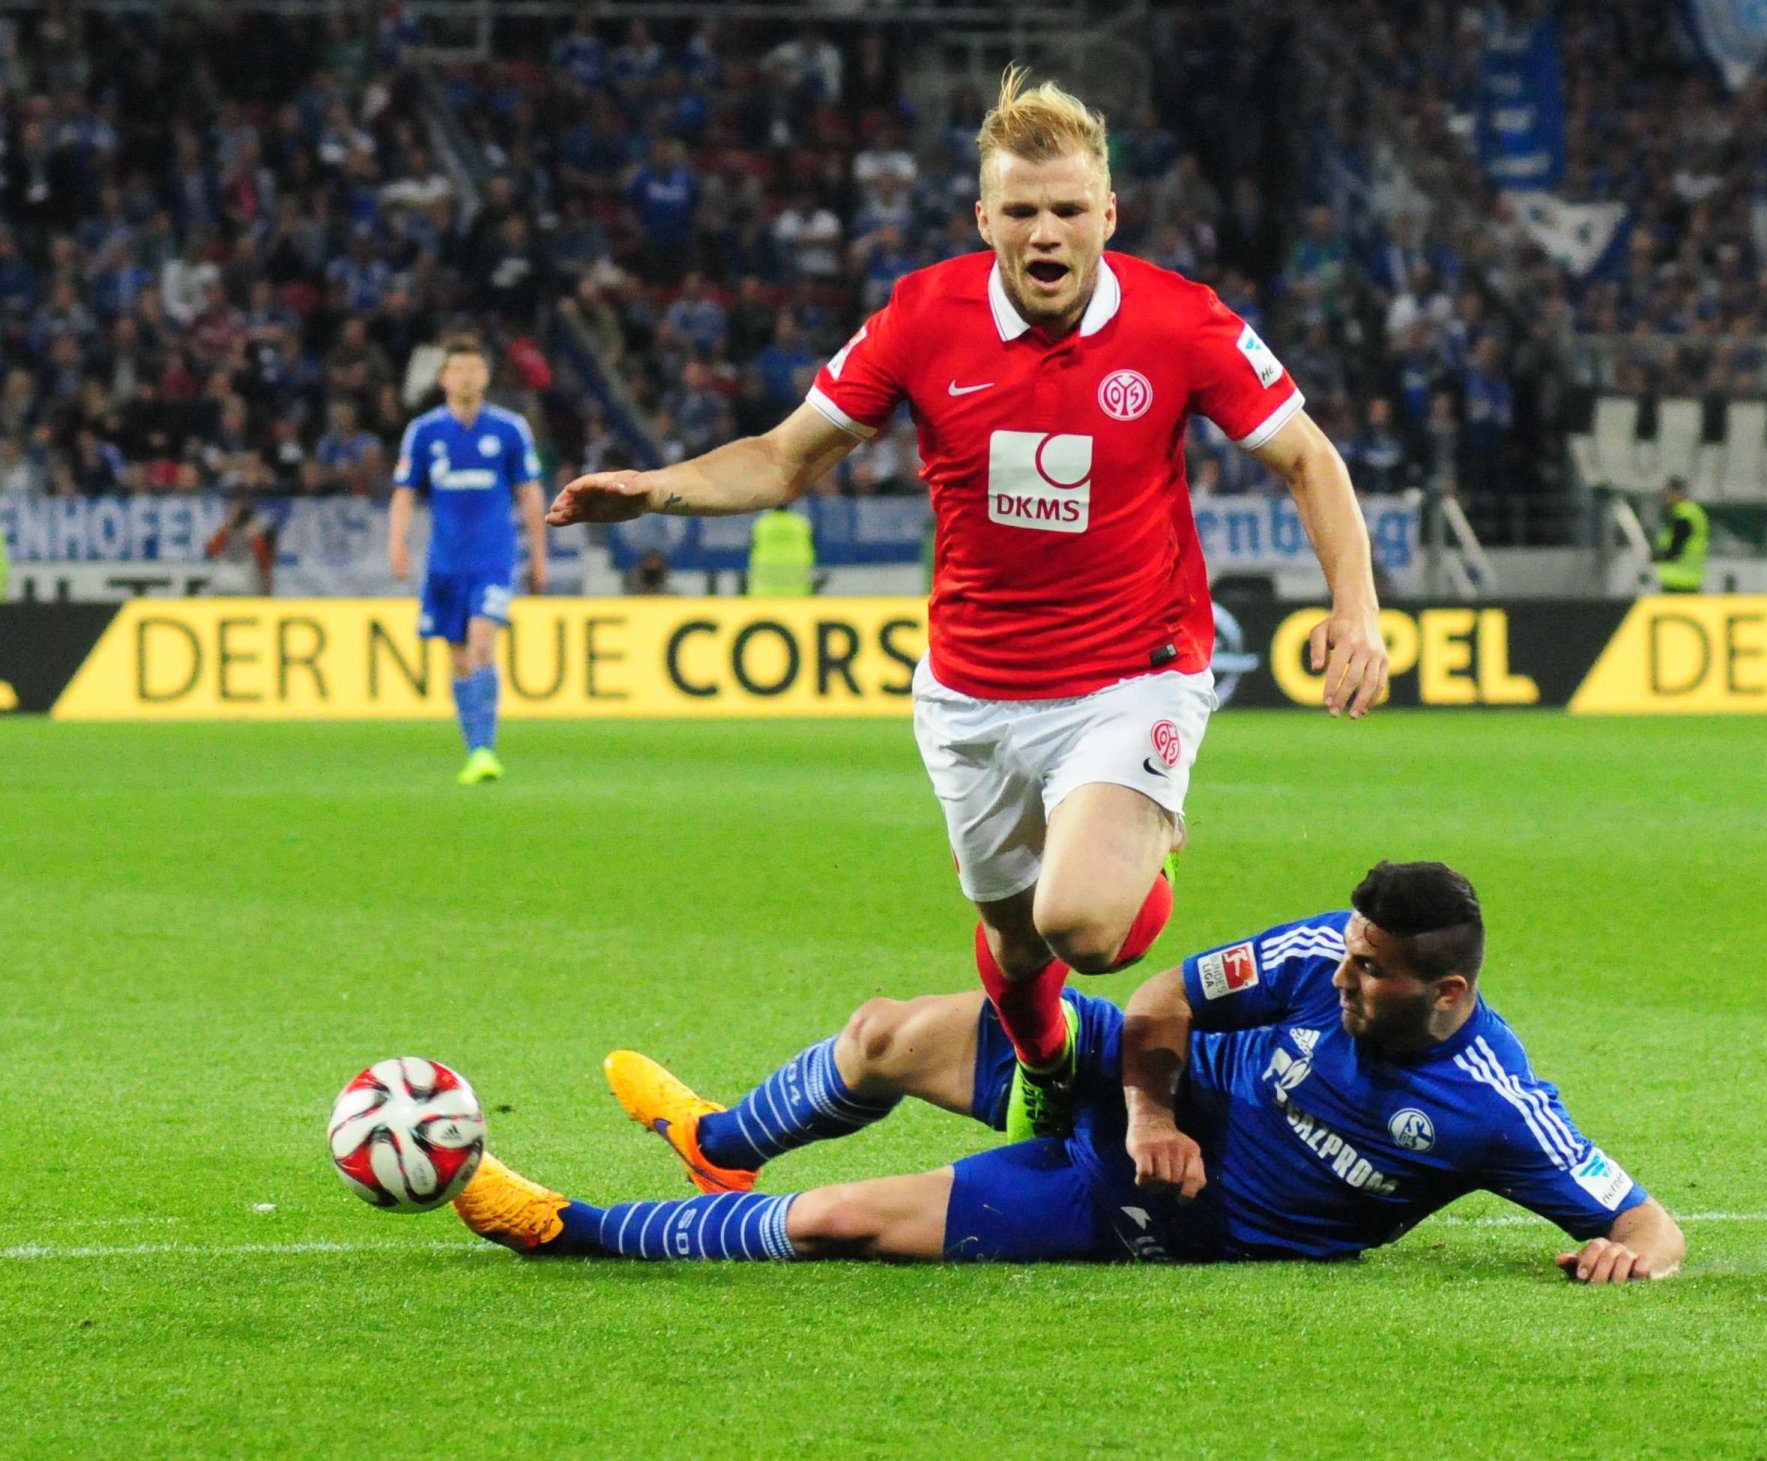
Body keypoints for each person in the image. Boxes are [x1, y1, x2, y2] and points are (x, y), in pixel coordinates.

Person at [545, 67, 1389, 1141]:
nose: (1048, 233)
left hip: (1135, 672)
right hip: (971, 694)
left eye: (1070, 210)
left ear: (1108, 216)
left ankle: (1139, 834)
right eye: (1024, 211)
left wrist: (1354, 608)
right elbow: (780, 459)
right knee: (1017, 943)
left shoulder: (1182, 321)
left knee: (1083, 922)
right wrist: (659, 488)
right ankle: (1042, 1064)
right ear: (984, 217)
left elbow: (1308, 457)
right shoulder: (919, 316)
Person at [450, 860, 1685, 1283]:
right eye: (1351, 957)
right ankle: (720, 1143)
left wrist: (1633, 1254)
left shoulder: (1494, 1107)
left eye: (1375, 975)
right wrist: (1151, 1104)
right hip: (1145, 1097)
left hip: (1159, 1213)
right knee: (884, 1029)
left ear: (1448, 995)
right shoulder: (1322, 954)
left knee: (836, 1223)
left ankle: (569, 1231)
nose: (1347, 978)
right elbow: (1158, 1000)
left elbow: (1647, 1221)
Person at [388, 337, 547, 785]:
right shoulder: (424, 432)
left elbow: (530, 493)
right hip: (444, 562)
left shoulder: (510, 429)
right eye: (457, 369)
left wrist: (539, 555)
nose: (466, 377)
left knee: (481, 643)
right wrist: (397, 544)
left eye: (474, 369)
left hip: (494, 557)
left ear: (487, 376)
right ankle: (473, 747)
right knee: (457, 658)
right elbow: (404, 492)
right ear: (443, 378)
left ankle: (485, 749)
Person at [1656, 476, 1709, 593]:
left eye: (1668, 492)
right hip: (1690, 581)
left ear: (1678, 493)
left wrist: (1655, 557)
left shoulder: (1684, 515)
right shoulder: (1692, 512)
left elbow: (1676, 549)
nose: (1665, 497)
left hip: (1678, 583)